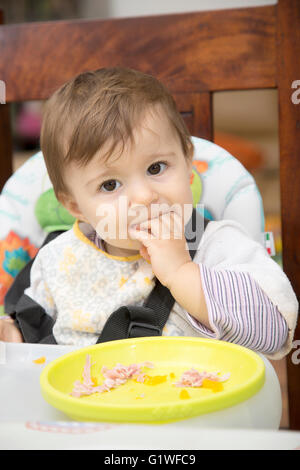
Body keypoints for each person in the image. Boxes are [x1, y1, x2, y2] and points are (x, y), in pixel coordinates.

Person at [0, 67, 298, 360]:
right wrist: (15, 337)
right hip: (85, 405)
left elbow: (273, 333)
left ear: (188, 165)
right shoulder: (58, 259)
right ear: (76, 207)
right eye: (110, 184)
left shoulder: (219, 247)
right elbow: (35, 331)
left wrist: (183, 273)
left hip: (194, 405)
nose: (144, 197)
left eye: (156, 168)